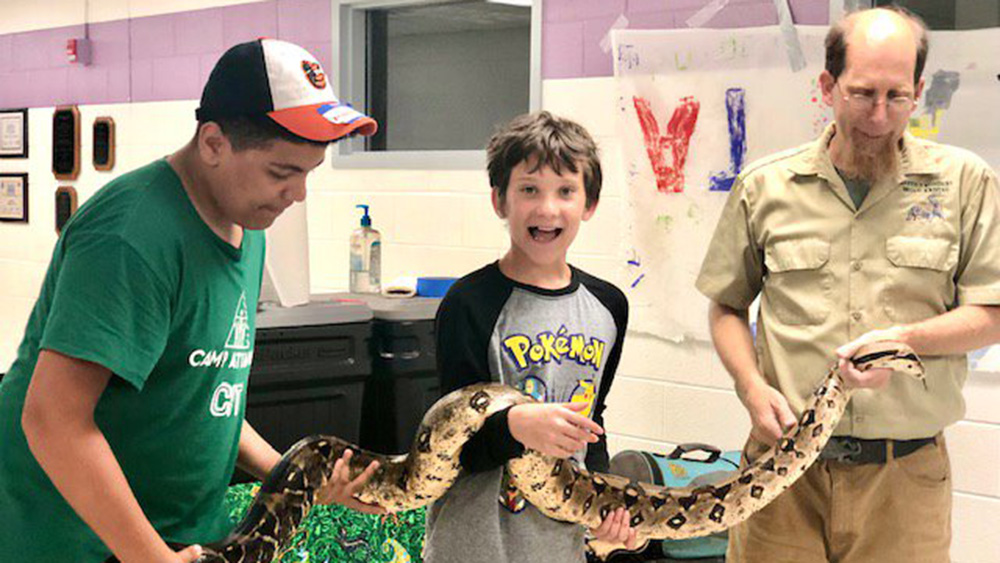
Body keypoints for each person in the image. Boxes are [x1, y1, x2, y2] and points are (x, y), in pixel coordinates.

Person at [0, 38, 384, 563]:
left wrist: (300, 479)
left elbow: (204, 392)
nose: (298, 195)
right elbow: (51, 419)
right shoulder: (132, 235)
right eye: (281, 172)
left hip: (180, 535)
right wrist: (149, 556)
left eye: (308, 173)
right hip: (78, 542)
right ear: (212, 143)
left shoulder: (247, 226)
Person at [696, 7, 1000, 563]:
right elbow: (726, 306)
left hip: (904, 479)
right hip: (780, 474)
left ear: (918, 91)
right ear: (827, 86)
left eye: (897, 96)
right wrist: (748, 384)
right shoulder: (766, 186)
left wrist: (904, 340)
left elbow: (992, 313)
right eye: (862, 94)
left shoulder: (967, 183)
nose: (879, 115)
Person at [424, 111, 636, 563]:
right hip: (474, 546)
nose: (547, 208)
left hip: (559, 547)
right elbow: (451, 447)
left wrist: (606, 506)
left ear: (589, 203)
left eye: (565, 191)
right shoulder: (469, 303)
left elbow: (593, 422)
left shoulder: (609, 306)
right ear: (500, 201)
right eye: (529, 190)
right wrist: (515, 428)